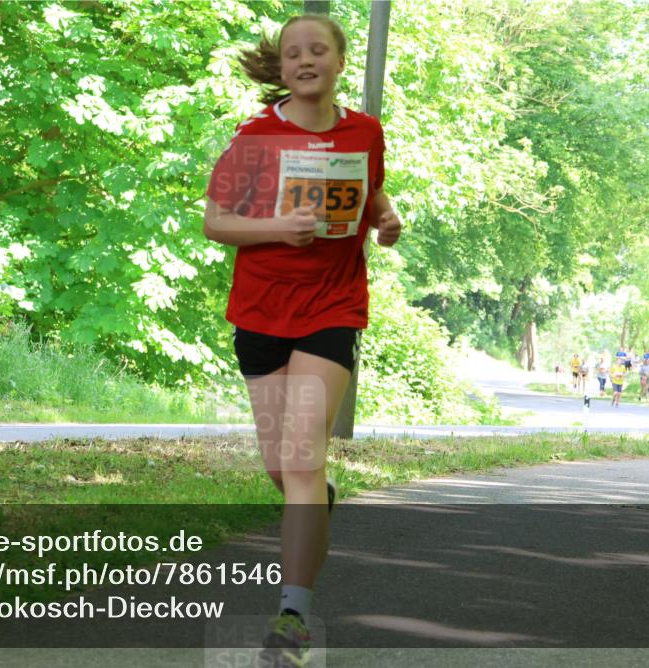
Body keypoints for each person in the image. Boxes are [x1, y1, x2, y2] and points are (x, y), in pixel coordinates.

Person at [204, 14, 400, 665]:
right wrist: (276, 230)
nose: (306, 59)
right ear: (282, 68)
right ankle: (313, 506)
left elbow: (371, 197)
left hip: (331, 308)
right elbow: (215, 222)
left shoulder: (364, 131)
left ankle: (293, 618)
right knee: (282, 471)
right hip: (260, 312)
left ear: (341, 61)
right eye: (294, 53)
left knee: (301, 460)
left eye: (319, 49)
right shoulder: (255, 136)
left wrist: (387, 217)